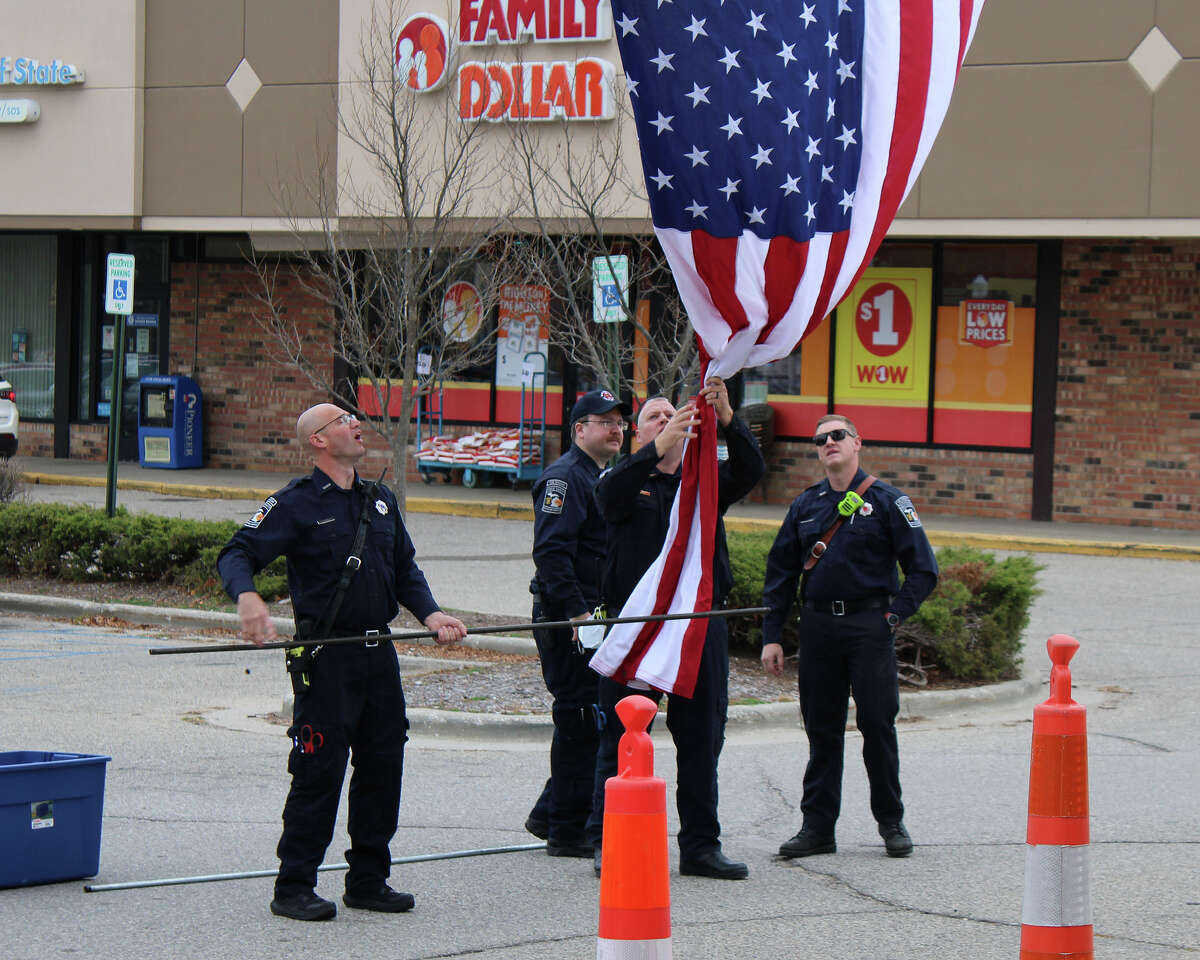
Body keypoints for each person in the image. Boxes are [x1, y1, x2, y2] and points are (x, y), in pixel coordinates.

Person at [217, 403, 466, 922]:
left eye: (355, 419)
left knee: (383, 767)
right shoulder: (296, 503)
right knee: (318, 772)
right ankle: (294, 886)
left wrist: (433, 615)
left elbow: (405, 570)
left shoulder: (380, 500)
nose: (357, 425)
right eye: (343, 421)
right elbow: (236, 552)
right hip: (328, 659)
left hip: (380, 659)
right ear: (318, 442)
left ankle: (369, 879)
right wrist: (248, 597)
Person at [585, 376, 764, 880]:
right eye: (655, 418)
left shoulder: (704, 482)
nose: (667, 421)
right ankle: (609, 840)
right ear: (639, 434)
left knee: (701, 738)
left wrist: (728, 419)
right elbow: (608, 497)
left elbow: (752, 469)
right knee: (621, 738)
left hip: (697, 628)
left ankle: (701, 847)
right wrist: (653, 452)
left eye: (673, 415)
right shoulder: (624, 479)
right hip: (637, 627)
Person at [761, 414, 937, 860]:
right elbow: (780, 572)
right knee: (822, 731)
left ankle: (891, 821)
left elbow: (923, 570)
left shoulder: (888, 500)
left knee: (877, 724)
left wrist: (893, 616)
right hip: (819, 628)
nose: (829, 443)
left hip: (868, 627)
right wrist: (772, 635)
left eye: (838, 435)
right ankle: (817, 828)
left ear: (857, 443)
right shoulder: (806, 505)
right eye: (820, 439)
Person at [525, 388, 631, 857]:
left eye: (620, 422)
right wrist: (577, 614)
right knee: (580, 716)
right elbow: (551, 553)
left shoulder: (603, 475)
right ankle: (565, 829)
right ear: (579, 429)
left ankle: (551, 813)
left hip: (591, 616)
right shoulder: (565, 479)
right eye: (604, 420)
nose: (616, 428)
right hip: (568, 617)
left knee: (591, 715)